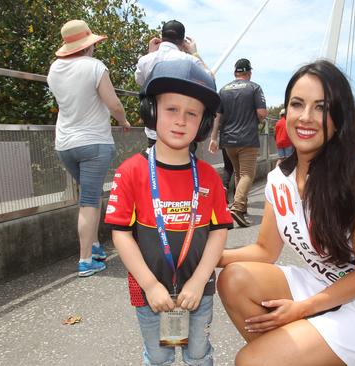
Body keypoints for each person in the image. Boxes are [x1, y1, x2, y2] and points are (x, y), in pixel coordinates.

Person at [217, 60, 355, 366]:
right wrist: (207, 256)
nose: (306, 117)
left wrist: (303, 309)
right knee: (233, 279)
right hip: (319, 282)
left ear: (338, 117)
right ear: (286, 111)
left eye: (321, 107)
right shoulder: (279, 179)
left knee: (252, 362)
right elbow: (265, 250)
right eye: (297, 104)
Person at [104, 59, 233, 365]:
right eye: (171, 109)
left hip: (197, 291)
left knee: (199, 355)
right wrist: (150, 285)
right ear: (152, 112)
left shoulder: (209, 177)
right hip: (150, 294)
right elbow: (120, 233)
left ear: (203, 124)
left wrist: (199, 280)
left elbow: (219, 232)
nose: (181, 120)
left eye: (192, 113)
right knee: (158, 357)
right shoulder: (131, 172)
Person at [47, 19, 131, 277]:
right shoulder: (95, 67)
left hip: (65, 144)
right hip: (93, 142)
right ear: (87, 46)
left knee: (88, 197)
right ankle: (85, 261)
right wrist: (124, 121)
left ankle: (94, 246)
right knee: (90, 201)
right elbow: (113, 103)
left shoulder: (54, 69)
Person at [135, 19, 213, 148]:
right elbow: (210, 81)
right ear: (183, 42)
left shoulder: (145, 60)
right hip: (181, 132)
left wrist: (150, 53)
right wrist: (194, 53)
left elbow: (140, 81)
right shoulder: (190, 60)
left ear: (161, 37)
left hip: (153, 127)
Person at [208, 58, 267, 227]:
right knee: (248, 174)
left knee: (239, 174)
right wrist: (259, 119)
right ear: (249, 72)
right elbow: (262, 113)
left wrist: (213, 138)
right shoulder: (254, 87)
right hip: (247, 139)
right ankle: (237, 207)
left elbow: (217, 116)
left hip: (228, 140)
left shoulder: (223, 90)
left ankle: (242, 209)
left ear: (235, 73)